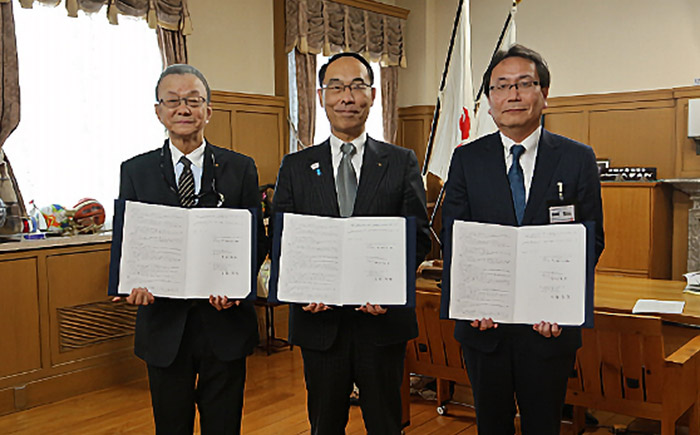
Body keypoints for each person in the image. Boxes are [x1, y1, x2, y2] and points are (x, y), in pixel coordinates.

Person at [441, 44, 604, 435]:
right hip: (485, 326)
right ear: (490, 101)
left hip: (548, 329)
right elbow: (455, 238)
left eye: (524, 84)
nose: (512, 95)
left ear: (544, 95)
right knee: (491, 425)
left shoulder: (577, 158)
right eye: (500, 87)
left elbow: (590, 240)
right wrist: (472, 300)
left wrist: (561, 307)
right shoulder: (467, 158)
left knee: (543, 425)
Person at [272, 52, 431, 434]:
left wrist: (388, 288)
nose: (347, 96)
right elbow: (282, 239)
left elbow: (419, 237)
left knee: (385, 423)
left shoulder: (401, 161)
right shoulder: (296, 166)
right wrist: (301, 289)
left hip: (382, 321)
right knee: (324, 424)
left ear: (373, 95)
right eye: (336, 87)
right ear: (322, 95)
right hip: (319, 321)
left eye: (357, 86)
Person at [114, 64, 266, 434]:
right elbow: (130, 237)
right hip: (164, 326)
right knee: (171, 426)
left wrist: (237, 286)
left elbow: (254, 240)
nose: (184, 109)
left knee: (224, 425)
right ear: (159, 110)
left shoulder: (240, 168)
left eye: (194, 101)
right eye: (173, 101)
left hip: (225, 324)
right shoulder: (137, 170)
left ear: (208, 110)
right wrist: (130, 281)